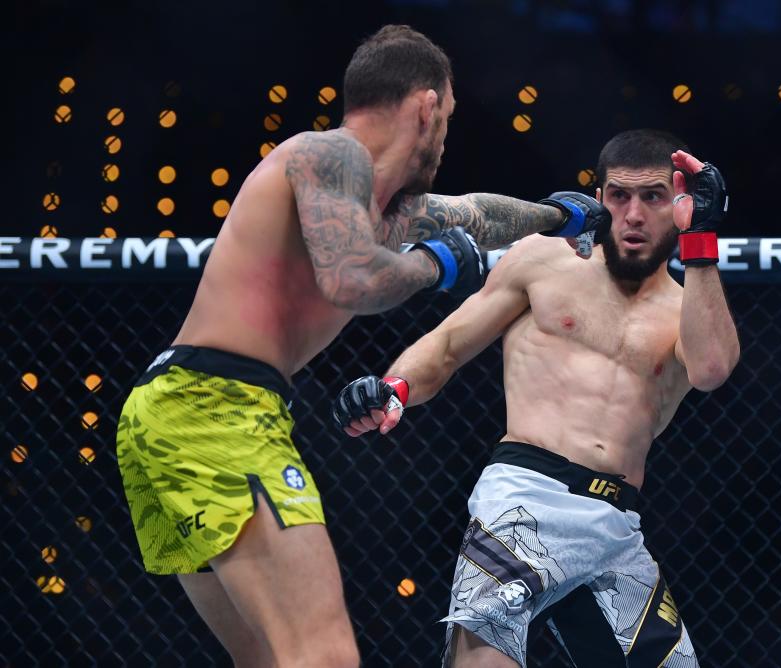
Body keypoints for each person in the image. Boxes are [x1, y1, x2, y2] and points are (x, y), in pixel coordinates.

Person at [115, 24, 609, 668]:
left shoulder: (375, 203)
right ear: (427, 106)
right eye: (449, 118)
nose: (445, 137)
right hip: (215, 408)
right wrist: (440, 265)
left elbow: (476, 215)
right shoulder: (331, 155)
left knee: (268, 659)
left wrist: (557, 216)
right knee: (323, 656)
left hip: (172, 414)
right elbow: (352, 278)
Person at [334, 129, 739, 667]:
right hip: (525, 497)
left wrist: (702, 240)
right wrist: (395, 388)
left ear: (679, 204)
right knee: (484, 654)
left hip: (616, 525)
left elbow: (711, 369)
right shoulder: (542, 261)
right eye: (619, 195)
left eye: (653, 197)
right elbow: (450, 344)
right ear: (599, 198)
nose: (635, 214)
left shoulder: (687, 308)